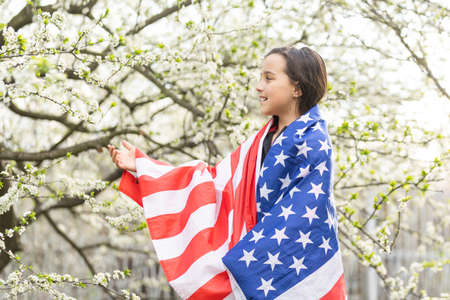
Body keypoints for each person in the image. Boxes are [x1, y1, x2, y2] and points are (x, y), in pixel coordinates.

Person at [108, 46, 346, 300]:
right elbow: (215, 181)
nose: (258, 86)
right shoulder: (261, 140)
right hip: (250, 258)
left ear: (297, 88)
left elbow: (302, 216)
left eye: (269, 78)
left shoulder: (313, 141)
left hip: (279, 269)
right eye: (260, 78)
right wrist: (145, 168)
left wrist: (246, 262)